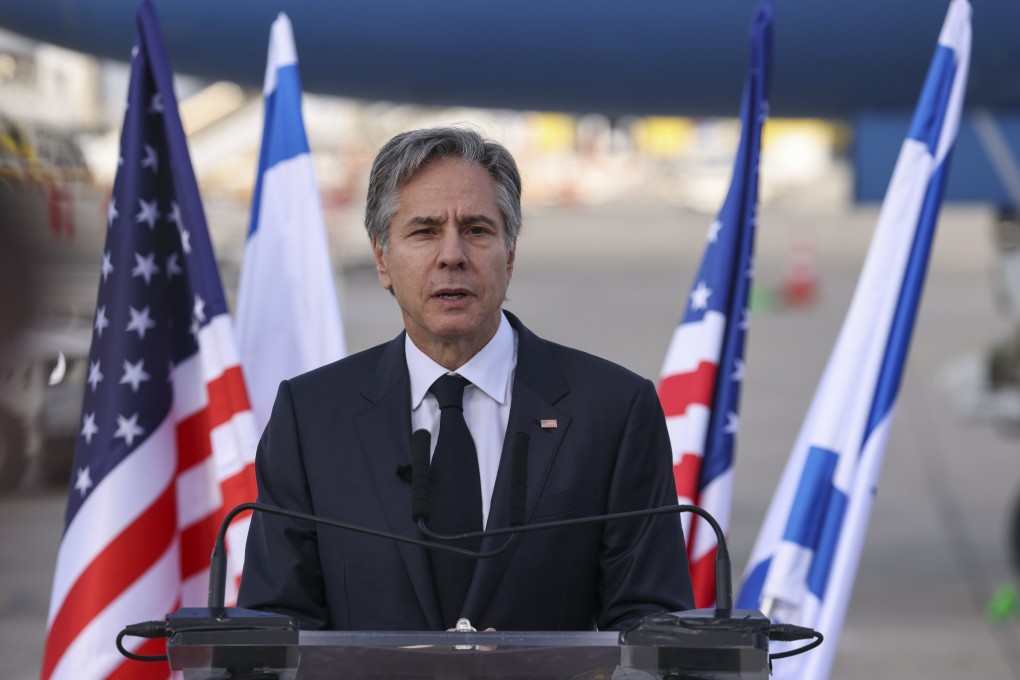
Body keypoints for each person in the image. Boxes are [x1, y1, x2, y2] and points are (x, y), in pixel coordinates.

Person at [238, 126, 694, 631]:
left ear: (510, 254)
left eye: (477, 230)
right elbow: (277, 621)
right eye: (425, 230)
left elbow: (650, 623)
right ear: (383, 259)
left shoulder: (613, 410)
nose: (452, 255)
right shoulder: (311, 416)